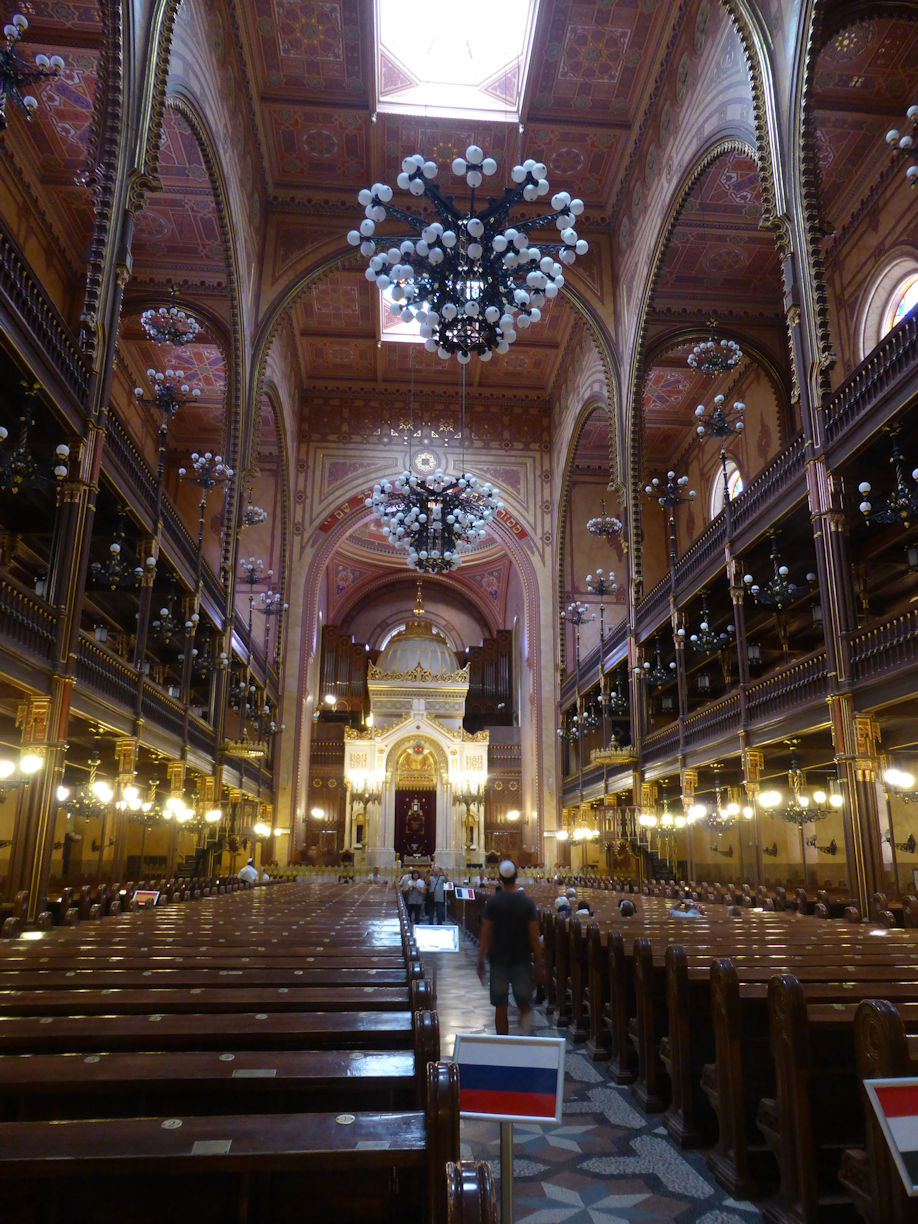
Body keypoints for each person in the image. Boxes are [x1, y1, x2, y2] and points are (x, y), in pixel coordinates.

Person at [476, 859, 544, 1035]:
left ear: (499, 878)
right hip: (521, 959)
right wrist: (540, 961)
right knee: (524, 1004)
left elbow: (485, 933)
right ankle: (523, 1037)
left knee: (500, 1005)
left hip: (498, 960)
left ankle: (503, 1044)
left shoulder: (493, 903)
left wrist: (481, 960)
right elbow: (534, 936)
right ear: (517, 876)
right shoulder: (527, 903)